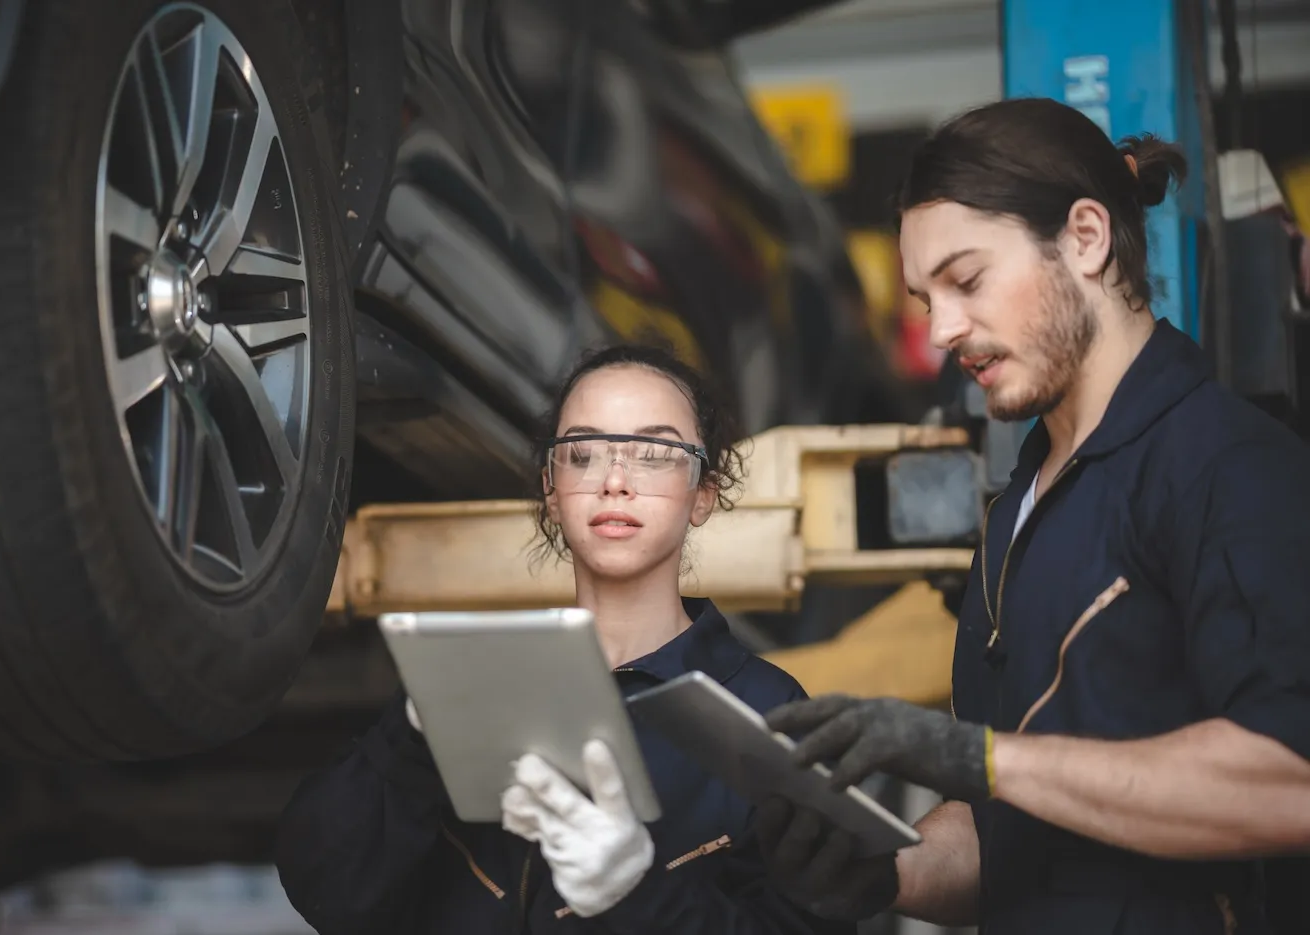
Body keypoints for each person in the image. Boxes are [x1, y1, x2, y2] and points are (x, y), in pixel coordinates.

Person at [753, 97, 1310, 935]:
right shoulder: (1019, 507)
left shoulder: (1228, 468)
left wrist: (982, 758)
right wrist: (882, 870)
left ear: (1086, 238)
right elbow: (1014, 837)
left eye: (966, 280)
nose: (941, 328)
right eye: (923, 296)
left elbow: (1290, 780)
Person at [274, 343, 843, 935]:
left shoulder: (767, 712)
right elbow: (326, 890)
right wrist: (411, 738)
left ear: (703, 492)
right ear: (551, 486)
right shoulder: (476, 677)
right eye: (583, 453)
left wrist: (637, 895)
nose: (614, 481)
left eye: (654, 452)